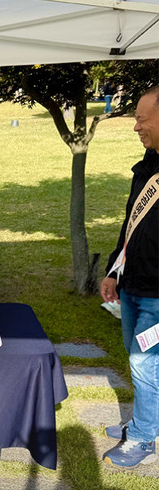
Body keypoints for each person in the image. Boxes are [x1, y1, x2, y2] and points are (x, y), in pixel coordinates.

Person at [100, 87, 159, 469]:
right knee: (140, 360)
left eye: (142, 118)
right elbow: (130, 227)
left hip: (157, 296)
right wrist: (112, 271)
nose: (136, 126)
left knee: (144, 363)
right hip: (132, 285)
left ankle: (142, 437)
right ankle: (145, 419)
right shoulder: (146, 166)